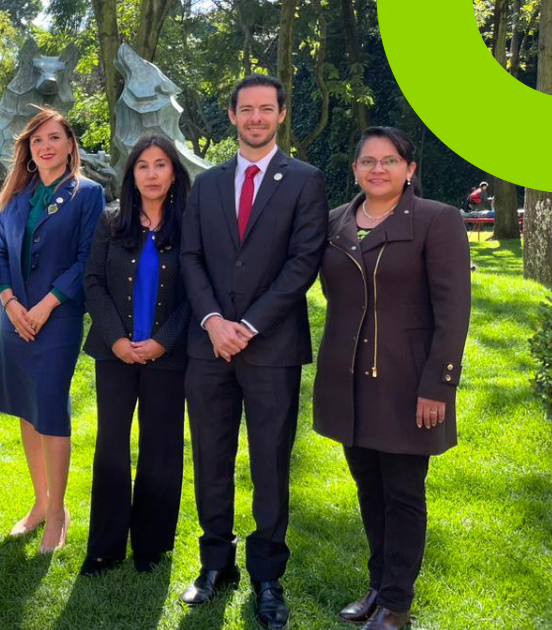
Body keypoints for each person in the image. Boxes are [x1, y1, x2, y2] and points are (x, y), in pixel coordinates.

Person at [178, 74, 328, 629]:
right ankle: (215, 565)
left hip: (272, 349)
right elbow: (190, 258)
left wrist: (247, 324)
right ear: (233, 116)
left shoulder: (306, 181)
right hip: (208, 347)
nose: (257, 118)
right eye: (247, 109)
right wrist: (215, 321)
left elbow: (302, 263)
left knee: (269, 464)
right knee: (211, 460)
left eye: (267, 109)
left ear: (282, 115)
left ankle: (268, 575)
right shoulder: (208, 183)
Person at [313, 127, 471, 630]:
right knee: (369, 487)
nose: (376, 170)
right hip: (348, 381)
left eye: (388, 161)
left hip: (407, 383)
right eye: (367, 162)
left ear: (409, 169)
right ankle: (379, 585)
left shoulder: (435, 220)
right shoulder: (335, 222)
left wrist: (438, 385)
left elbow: (454, 310)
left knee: (403, 492)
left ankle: (397, 605)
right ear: (355, 169)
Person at [0, 108, 105, 553]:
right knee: (26, 408)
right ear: (29, 151)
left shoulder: (87, 194)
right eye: (37, 141)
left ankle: (58, 512)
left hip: (56, 320)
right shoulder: (17, 197)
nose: (46, 146)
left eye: (54, 138)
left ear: (70, 145)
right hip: (13, 317)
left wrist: (44, 306)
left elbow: (86, 258)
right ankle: (39, 503)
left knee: (51, 409)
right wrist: (10, 301)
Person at [80, 134, 192, 576]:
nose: (151, 174)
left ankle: (152, 543)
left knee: (161, 448)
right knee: (111, 446)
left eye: (160, 164)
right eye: (142, 166)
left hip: (169, 354)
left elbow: (199, 292)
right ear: (132, 175)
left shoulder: (190, 225)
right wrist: (116, 340)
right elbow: (93, 283)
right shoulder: (111, 221)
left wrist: (165, 339)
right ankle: (105, 546)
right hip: (116, 355)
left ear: (173, 172)